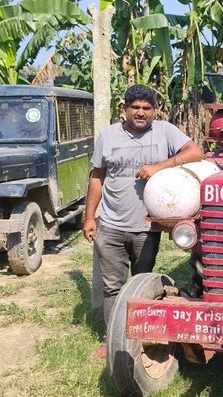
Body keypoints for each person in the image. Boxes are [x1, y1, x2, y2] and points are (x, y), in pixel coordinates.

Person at [82, 84, 204, 346]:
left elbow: (196, 152)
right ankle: (113, 341)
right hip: (111, 224)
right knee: (113, 287)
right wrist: (89, 217)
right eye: (135, 107)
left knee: (140, 283)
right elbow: (96, 178)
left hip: (147, 227)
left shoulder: (165, 131)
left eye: (147, 108)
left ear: (154, 110)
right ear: (124, 109)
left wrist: (159, 167)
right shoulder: (108, 136)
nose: (141, 113)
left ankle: (137, 336)